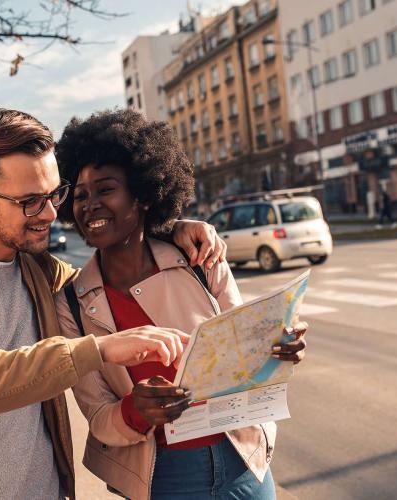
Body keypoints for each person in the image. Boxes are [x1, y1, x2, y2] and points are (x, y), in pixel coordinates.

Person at [0, 108, 229, 499]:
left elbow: (118, 259)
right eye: (29, 201)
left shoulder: (45, 273)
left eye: (53, 194)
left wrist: (170, 228)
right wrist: (100, 349)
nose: (50, 213)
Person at [54, 109, 308, 500]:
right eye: (81, 195)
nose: (90, 205)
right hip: (162, 478)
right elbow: (98, 416)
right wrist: (135, 410)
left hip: (242, 457)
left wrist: (279, 347)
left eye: (105, 189)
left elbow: (248, 356)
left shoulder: (200, 259)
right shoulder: (71, 303)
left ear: (141, 195)